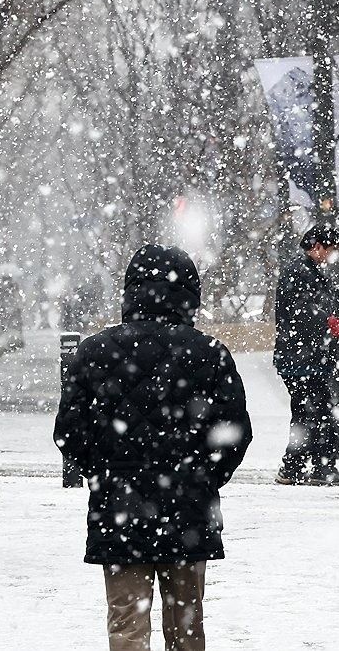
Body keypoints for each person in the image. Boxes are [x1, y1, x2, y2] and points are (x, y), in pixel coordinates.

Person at [54, 244, 251, 651]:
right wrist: (203, 478)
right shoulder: (210, 353)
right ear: (190, 294)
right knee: (186, 627)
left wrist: (104, 472)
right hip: (188, 510)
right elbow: (234, 433)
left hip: (119, 508)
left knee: (126, 624)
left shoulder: (94, 351)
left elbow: (69, 431)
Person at [273, 223, 339, 485]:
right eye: (330, 249)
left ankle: (299, 467)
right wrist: (329, 322)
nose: (332, 255)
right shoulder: (298, 272)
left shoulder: (313, 271)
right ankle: (313, 467)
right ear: (316, 246)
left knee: (310, 412)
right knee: (316, 412)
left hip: (309, 358)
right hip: (302, 359)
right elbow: (301, 314)